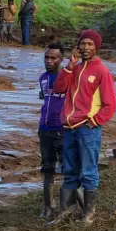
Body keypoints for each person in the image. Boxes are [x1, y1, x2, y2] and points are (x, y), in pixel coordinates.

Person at [50, 30, 116, 225]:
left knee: (88, 171)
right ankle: (65, 212)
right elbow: (59, 88)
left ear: (96, 47)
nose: (86, 47)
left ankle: (88, 215)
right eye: (83, 44)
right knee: (69, 170)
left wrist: (93, 121)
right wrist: (69, 66)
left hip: (88, 128)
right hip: (69, 127)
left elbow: (110, 104)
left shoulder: (102, 71)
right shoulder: (75, 68)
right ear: (78, 46)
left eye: (90, 44)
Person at [38, 43, 66, 219]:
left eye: (53, 57)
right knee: (47, 168)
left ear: (61, 60)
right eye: (47, 57)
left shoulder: (68, 78)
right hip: (45, 129)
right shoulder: (42, 78)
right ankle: (48, 207)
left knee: (67, 170)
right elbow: (44, 99)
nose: (49, 61)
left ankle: (67, 208)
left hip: (63, 130)